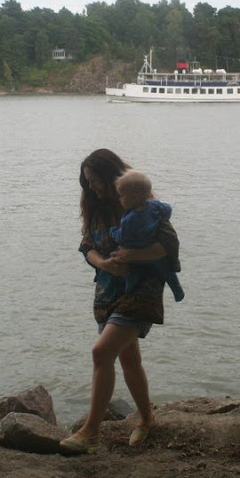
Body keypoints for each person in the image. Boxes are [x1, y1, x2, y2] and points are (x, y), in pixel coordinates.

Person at [59, 149, 181, 454]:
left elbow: (168, 246)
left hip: (141, 290)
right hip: (107, 292)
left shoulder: (141, 200)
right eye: (86, 183)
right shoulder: (94, 206)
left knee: (101, 353)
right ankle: (148, 418)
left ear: (109, 174)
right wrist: (104, 264)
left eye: (95, 180)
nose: (92, 187)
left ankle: (91, 432)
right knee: (129, 360)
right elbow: (87, 245)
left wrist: (132, 257)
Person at [109, 169, 184, 302]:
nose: (119, 199)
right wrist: (162, 217)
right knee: (168, 272)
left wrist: (113, 231)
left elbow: (123, 237)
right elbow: (168, 209)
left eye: (122, 196)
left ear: (134, 198)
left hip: (136, 254)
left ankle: (129, 291)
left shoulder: (129, 219)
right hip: (157, 253)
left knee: (131, 273)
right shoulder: (154, 205)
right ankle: (177, 291)